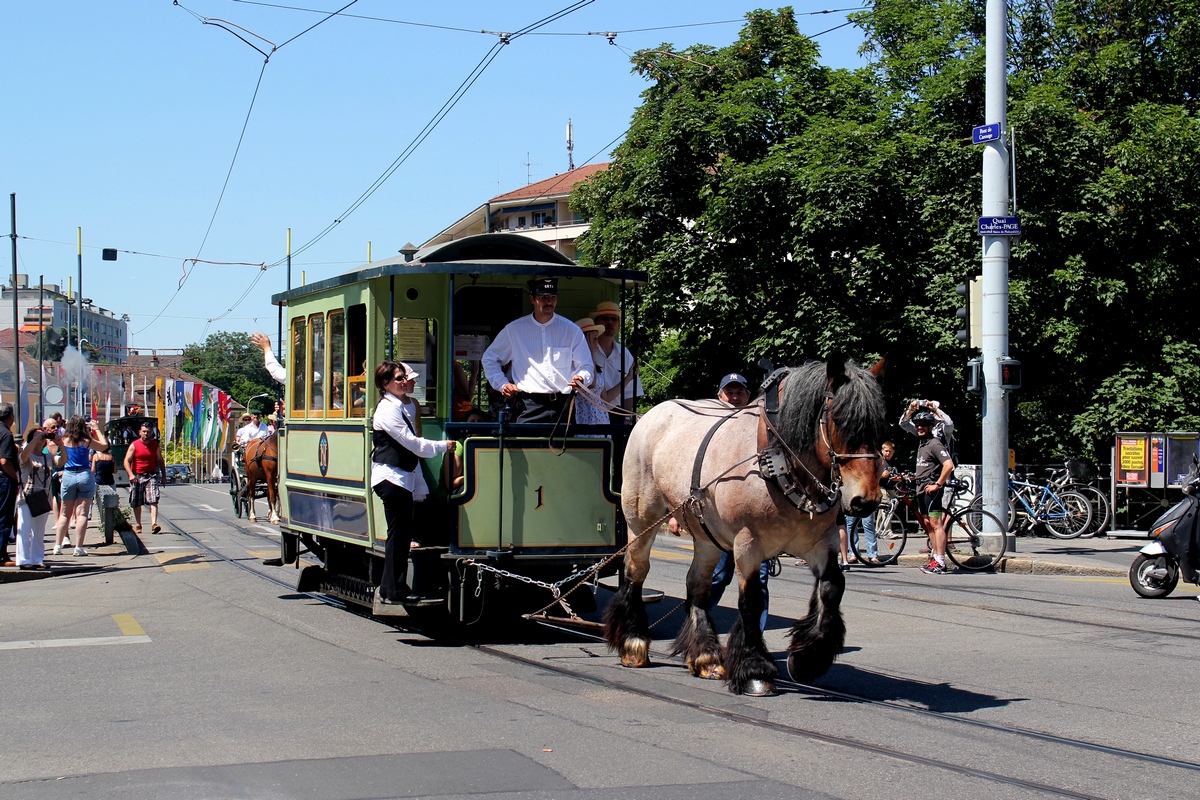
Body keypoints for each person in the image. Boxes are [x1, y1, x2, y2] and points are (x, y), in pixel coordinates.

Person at [668, 373, 770, 630]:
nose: (735, 398)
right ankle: (694, 622)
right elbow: (690, 476)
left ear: (748, 397)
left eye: (740, 393)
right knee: (719, 577)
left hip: (755, 523)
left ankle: (752, 640)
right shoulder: (710, 433)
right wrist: (675, 513)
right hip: (719, 522)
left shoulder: (762, 429)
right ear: (720, 397)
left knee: (758, 581)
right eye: (730, 393)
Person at [370, 360, 454, 605]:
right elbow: (412, 442)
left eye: (404, 377)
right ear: (385, 384)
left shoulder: (404, 405)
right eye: (398, 378)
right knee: (399, 533)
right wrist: (442, 446)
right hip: (390, 477)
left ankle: (389, 586)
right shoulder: (387, 410)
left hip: (401, 476)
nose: (405, 380)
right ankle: (394, 588)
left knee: (400, 532)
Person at [481, 277, 593, 424]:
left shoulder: (571, 330)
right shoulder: (514, 330)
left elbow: (586, 366)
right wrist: (502, 384)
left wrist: (581, 378)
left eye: (553, 297)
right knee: (530, 446)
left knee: (564, 447)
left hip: (563, 405)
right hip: (529, 405)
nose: (549, 301)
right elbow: (489, 358)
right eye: (543, 297)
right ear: (532, 299)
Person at [53, 415, 108, 556]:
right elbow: (104, 445)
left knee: (65, 513)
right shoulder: (86, 441)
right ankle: (78, 547)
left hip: (68, 475)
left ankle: (57, 546)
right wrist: (97, 429)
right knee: (82, 513)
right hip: (84, 474)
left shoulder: (64, 440)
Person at [913, 411, 955, 574]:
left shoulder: (935, 444)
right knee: (928, 525)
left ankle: (941, 561)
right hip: (921, 489)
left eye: (923, 425)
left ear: (931, 426)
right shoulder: (922, 444)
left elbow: (948, 465)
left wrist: (938, 484)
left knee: (937, 525)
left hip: (932, 491)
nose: (920, 428)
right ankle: (935, 558)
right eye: (917, 425)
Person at [847, 440, 898, 564]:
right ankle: (853, 553)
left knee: (868, 523)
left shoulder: (874, 455)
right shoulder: (849, 453)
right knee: (850, 523)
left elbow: (880, 467)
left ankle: (872, 554)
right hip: (852, 491)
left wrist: (876, 481)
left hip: (867, 491)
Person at [591, 301, 642, 418]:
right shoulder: (589, 352)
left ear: (619, 325)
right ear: (596, 323)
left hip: (617, 414)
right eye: (605, 318)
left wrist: (627, 418)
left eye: (614, 319)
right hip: (592, 413)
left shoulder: (625, 354)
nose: (610, 322)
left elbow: (630, 391)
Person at [15, 427, 54, 569]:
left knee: (39, 531)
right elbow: (24, 457)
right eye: (37, 435)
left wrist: (60, 443)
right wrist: (37, 437)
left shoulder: (47, 456)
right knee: (25, 528)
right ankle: (23, 560)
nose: (42, 438)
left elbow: (62, 461)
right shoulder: (26, 455)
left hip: (43, 496)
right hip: (27, 496)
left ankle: (37, 559)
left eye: (43, 436)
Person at [123, 421, 165, 536]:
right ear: (140, 432)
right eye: (144, 432)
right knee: (137, 501)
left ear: (152, 433)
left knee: (153, 499)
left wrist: (164, 476)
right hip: (136, 476)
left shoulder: (155, 445)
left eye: (148, 432)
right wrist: (130, 474)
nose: (146, 434)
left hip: (151, 475)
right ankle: (138, 524)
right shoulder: (134, 445)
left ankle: (154, 524)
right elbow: (126, 461)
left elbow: (160, 461)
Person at [572, 317, 611, 429]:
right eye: (593, 339)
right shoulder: (576, 363)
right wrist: (589, 351)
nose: (596, 343)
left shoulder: (595, 365)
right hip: (585, 416)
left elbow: (605, 397)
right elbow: (592, 383)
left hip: (600, 416)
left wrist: (628, 377)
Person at [0, 403, 19, 566]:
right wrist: (14, 477)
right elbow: (5, 461)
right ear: (10, 416)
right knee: (4, 516)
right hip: (3, 479)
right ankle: (1, 555)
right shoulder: (6, 434)